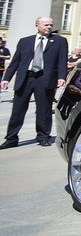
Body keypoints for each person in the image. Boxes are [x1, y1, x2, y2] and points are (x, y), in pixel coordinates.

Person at [1, 16, 69, 149]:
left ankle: (43, 136)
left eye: (50, 25)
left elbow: (62, 61)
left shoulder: (59, 41)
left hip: (45, 78)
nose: (49, 27)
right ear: (37, 25)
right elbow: (15, 62)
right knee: (18, 111)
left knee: (44, 110)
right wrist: (6, 78)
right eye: (45, 25)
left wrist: (62, 77)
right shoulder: (25, 41)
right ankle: (11, 138)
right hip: (25, 78)